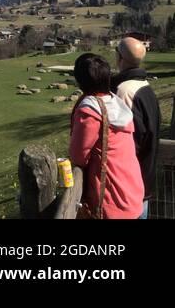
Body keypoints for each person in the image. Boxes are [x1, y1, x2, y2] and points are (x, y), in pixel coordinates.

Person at [68, 53, 143, 219]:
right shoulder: (117, 103)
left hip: (111, 201)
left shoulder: (90, 112)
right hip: (133, 192)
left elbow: (78, 156)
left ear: (81, 80)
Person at [113, 37, 162, 219]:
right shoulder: (145, 86)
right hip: (144, 180)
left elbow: (125, 142)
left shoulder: (123, 92)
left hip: (128, 187)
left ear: (120, 58)